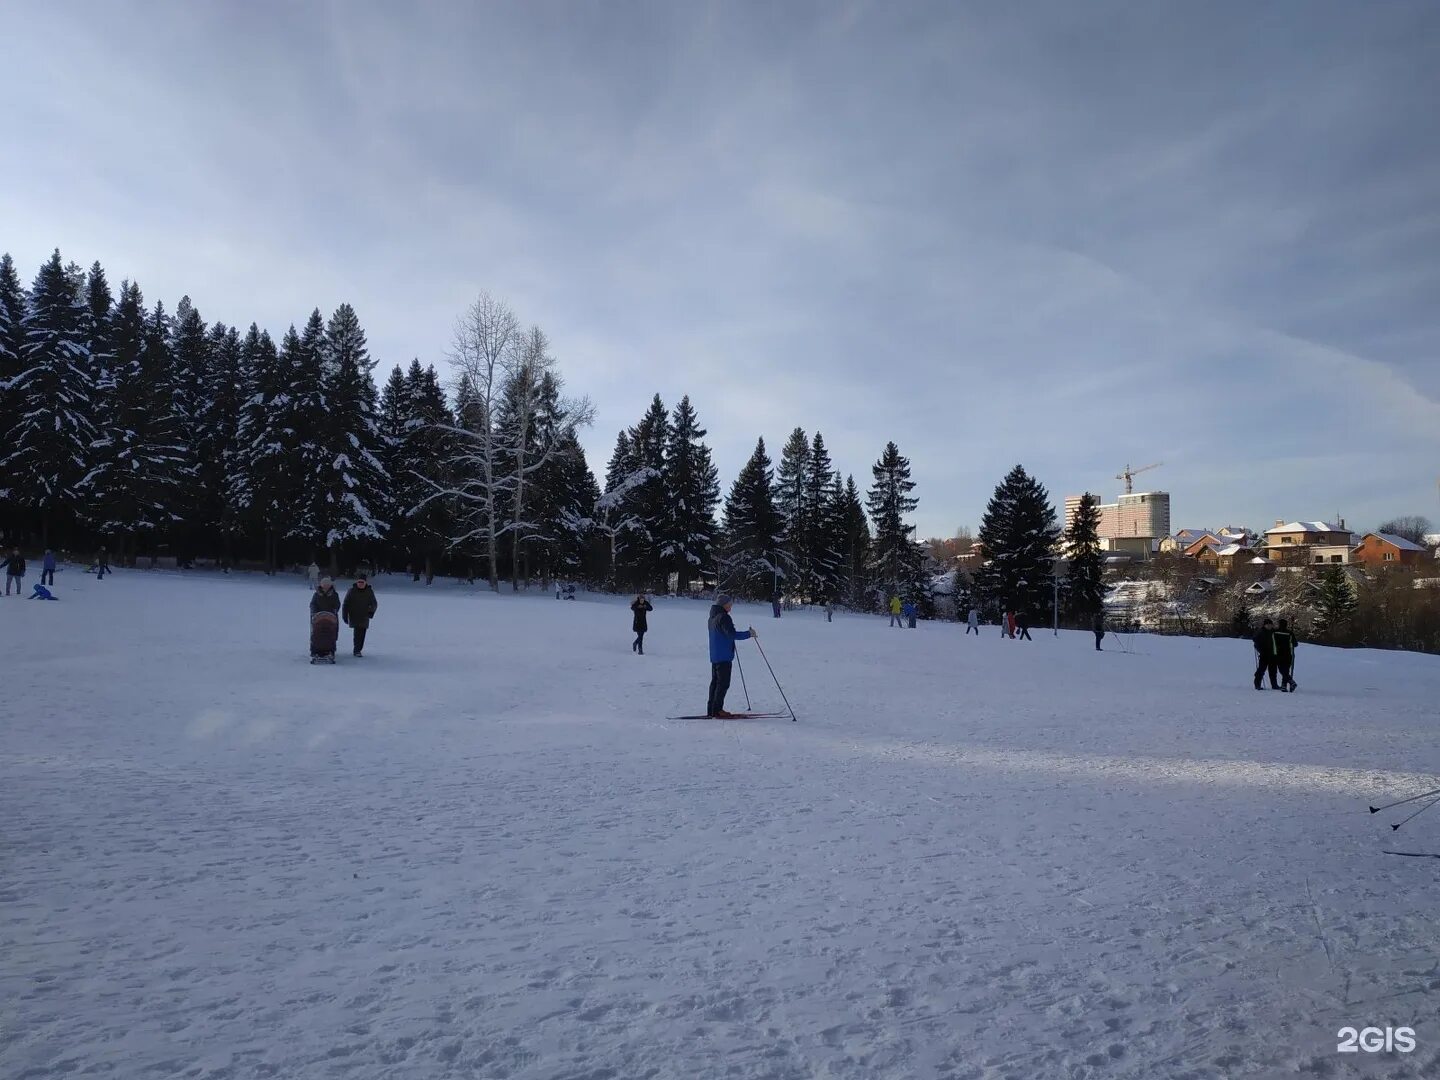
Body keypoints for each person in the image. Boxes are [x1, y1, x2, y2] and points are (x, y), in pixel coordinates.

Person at [707, 594, 754, 718]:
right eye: (729, 604)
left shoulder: (712, 617)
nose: (731, 607)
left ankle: (711, 709)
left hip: (715, 656)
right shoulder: (723, 617)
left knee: (715, 683)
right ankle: (717, 710)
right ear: (724, 604)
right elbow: (731, 634)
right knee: (723, 684)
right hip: (724, 656)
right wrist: (749, 634)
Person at [341, 575, 379, 657]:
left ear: (365, 583)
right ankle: (356, 649)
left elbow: (374, 603)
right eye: (359, 582)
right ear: (357, 582)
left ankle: (359, 649)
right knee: (357, 633)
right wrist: (344, 615)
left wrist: (371, 612)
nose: (360, 584)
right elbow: (346, 604)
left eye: (362, 582)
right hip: (354, 615)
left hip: (364, 616)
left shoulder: (369, 591)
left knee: (362, 633)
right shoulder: (351, 591)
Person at [309, 576, 341, 661]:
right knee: (316, 633)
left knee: (331, 633)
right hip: (317, 617)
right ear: (321, 585)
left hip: (331, 617)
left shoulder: (334, 594)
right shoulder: (317, 594)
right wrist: (314, 612)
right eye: (324, 585)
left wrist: (334, 610)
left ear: (330, 585)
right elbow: (313, 604)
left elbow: (337, 604)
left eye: (327, 585)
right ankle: (315, 650)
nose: (325, 586)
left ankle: (330, 650)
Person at [1252, 617, 1280, 690]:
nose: (1269, 626)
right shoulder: (1261, 632)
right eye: (1267, 625)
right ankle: (1257, 684)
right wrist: (1260, 650)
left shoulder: (1274, 632)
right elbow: (1255, 640)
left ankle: (1274, 685)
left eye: (1270, 624)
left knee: (1273, 671)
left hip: (1273, 655)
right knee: (1261, 670)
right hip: (1264, 655)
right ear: (1264, 625)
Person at [1273, 618, 1299, 692]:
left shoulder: (1275, 632)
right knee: (1286, 670)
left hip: (1278, 654)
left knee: (1282, 670)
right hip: (1288, 654)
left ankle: (1289, 683)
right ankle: (1285, 685)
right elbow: (1295, 644)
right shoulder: (1290, 633)